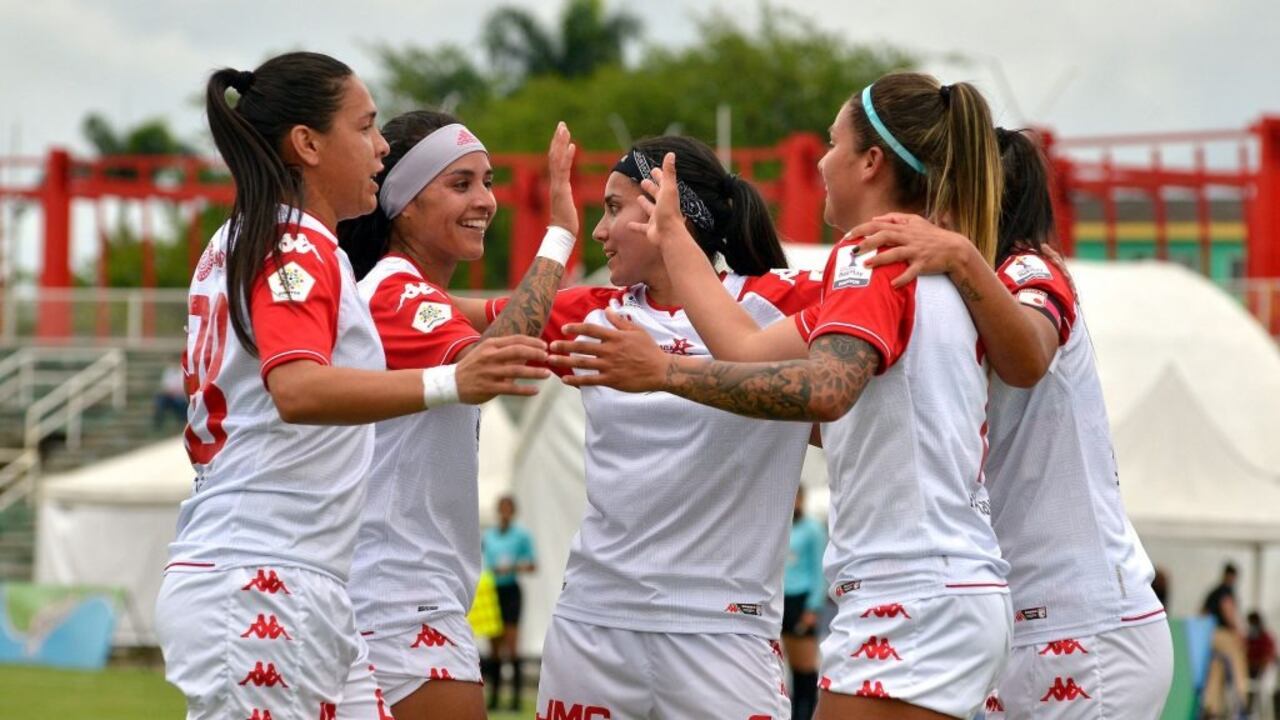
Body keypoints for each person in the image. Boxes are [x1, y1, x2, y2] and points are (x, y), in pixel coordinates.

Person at [551, 73, 1012, 719]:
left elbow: (824, 389)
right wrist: (677, 236)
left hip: (911, 590)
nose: (821, 161)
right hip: (943, 587)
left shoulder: (869, 252)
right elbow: (742, 348)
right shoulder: (931, 263)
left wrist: (665, 373)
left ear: (870, 161)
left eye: (832, 142)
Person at [154, 52, 549, 720]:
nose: (382, 145)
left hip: (296, 575)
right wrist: (449, 381)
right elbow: (299, 388)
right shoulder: (294, 244)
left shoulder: (247, 238)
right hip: (263, 574)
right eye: (365, 127)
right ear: (307, 144)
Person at [458, 135, 823, 718]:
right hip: (593, 623)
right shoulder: (591, 311)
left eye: (611, 207)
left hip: (724, 630)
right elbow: (472, 350)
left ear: (662, 208)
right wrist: (557, 235)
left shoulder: (783, 302)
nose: (598, 231)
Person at [844, 128, 1174, 717]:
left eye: (942, 191)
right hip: (1018, 623)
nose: (927, 212)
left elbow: (1030, 356)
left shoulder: (1031, 269)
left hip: (1082, 625)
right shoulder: (953, 289)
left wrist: (963, 256)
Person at [336, 111, 577, 720]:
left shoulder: (407, 292)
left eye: (488, 181)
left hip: (391, 595)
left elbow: (518, 313)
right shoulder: (396, 290)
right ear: (404, 205)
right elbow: (504, 352)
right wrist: (561, 233)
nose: (486, 202)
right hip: (400, 602)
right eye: (460, 183)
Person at [482, 495, 538, 712]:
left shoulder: (521, 535)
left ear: (512, 512)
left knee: (512, 645)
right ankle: (494, 699)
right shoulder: (489, 535)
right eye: (501, 509)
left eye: (508, 509)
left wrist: (512, 568)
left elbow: (532, 565)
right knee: (494, 646)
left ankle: (515, 701)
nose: (504, 513)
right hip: (493, 591)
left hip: (511, 591)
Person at [783, 486, 826, 720]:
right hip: (780, 600)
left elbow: (821, 569)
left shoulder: (813, 529)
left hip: (801, 602)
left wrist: (812, 606)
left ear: (801, 499)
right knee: (784, 667)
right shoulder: (781, 528)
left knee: (804, 670)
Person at [1246, 611, 1276, 716]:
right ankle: (1248, 711)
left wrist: (1259, 666)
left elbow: (1268, 657)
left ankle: (1259, 713)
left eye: (1253, 623)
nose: (1251, 626)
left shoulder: (1266, 637)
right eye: (1250, 623)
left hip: (1263, 672)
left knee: (1261, 689)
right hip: (1250, 670)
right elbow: (1245, 655)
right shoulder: (1249, 639)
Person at [153, 357, 187, 430]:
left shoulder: (184, 371)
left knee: (181, 402)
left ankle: (183, 423)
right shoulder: (168, 372)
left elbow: (184, 388)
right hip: (170, 397)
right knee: (160, 399)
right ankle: (158, 421)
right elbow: (165, 387)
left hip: (181, 398)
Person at [1204, 563, 1240, 630]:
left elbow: (1204, 611)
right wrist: (1235, 629)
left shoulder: (1216, 591)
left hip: (1211, 628)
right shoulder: (1224, 591)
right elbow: (1228, 612)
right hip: (1220, 629)